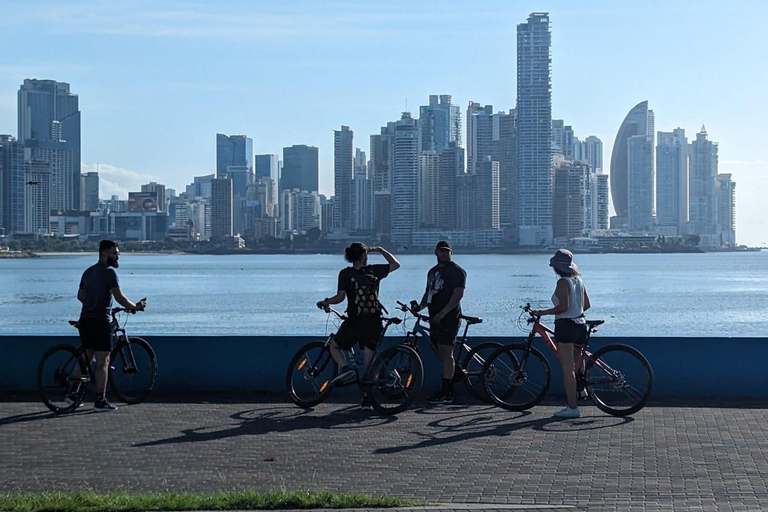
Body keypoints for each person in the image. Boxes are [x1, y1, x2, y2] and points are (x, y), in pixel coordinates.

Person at [317, 243, 400, 410]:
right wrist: (381, 250)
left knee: (334, 346)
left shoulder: (345, 273)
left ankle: (345, 367)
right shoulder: (374, 271)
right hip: (374, 322)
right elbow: (396, 264)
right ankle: (367, 398)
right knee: (368, 366)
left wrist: (326, 302)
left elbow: (340, 297)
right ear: (363, 255)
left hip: (355, 321)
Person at [75, 240, 147, 412]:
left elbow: (80, 296)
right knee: (103, 361)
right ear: (105, 253)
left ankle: (72, 393)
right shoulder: (109, 273)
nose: (117, 256)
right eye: (115, 253)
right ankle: (100, 400)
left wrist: (93, 303)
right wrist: (135, 307)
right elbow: (120, 297)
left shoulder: (88, 272)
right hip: (101, 321)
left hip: (85, 319)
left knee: (87, 356)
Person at [533, 249, 591, 419]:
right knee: (577, 363)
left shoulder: (562, 283)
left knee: (568, 369)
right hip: (580, 324)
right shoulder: (578, 280)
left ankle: (572, 408)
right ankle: (582, 391)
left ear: (557, 268)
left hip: (566, 326)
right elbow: (586, 305)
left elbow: (562, 308)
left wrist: (542, 312)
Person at [413, 240, 466, 404]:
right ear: (435, 253)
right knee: (442, 353)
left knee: (446, 352)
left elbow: (458, 295)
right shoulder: (432, 272)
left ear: (451, 253)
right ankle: (454, 374)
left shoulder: (457, 271)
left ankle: (448, 392)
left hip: (449, 317)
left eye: (447, 251)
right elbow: (428, 293)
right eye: (441, 251)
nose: (444, 254)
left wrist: (443, 313)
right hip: (434, 317)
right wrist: (419, 307)